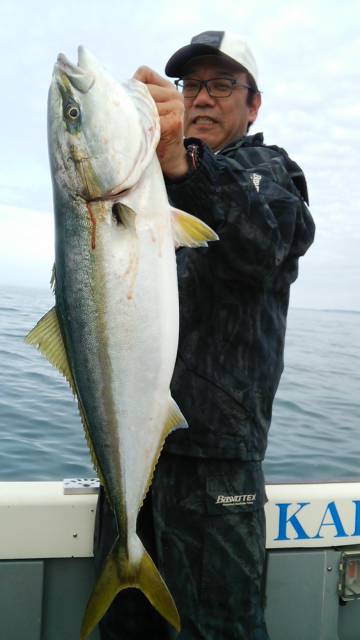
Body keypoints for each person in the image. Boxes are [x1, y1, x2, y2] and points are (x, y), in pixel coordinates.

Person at [94, 30, 315, 640]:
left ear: (254, 104)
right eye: (192, 85)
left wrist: (185, 166)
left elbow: (267, 239)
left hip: (217, 474)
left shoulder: (271, 176)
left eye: (223, 85)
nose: (203, 99)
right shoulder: (148, 188)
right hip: (131, 466)